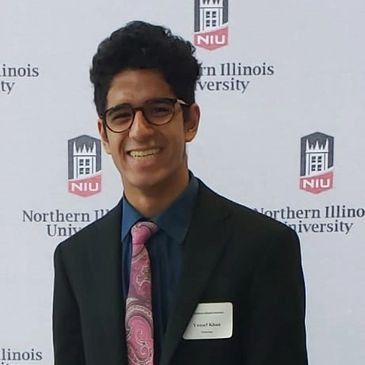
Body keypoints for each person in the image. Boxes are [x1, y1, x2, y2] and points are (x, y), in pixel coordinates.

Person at [53, 21, 308, 365]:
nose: (140, 131)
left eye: (159, 110)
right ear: (104, 132)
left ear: (190, 121)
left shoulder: (263, 247)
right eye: (122, 115)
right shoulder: (76, 259)